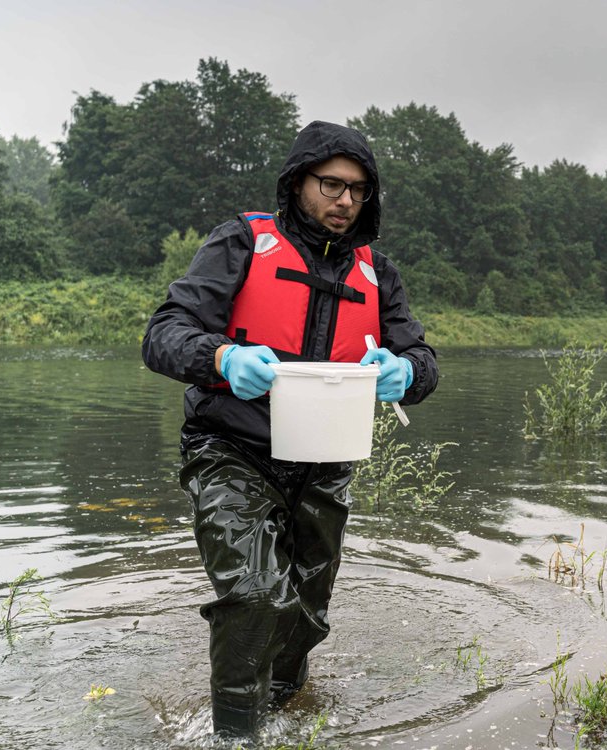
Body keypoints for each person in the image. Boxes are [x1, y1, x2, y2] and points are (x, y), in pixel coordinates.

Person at [142, 120, 438, 737]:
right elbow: (163, 334)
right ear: (298, 182)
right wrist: (222, 358)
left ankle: (285, 718)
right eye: (331, 184)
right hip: (230, 448)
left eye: (358, 190)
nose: (345, 200)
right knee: (254, 595)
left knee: (304, 615)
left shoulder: (377, 273)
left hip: (325, 463)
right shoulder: (242, 243)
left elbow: (425, 362)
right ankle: (236, 735)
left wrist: (403, 371)